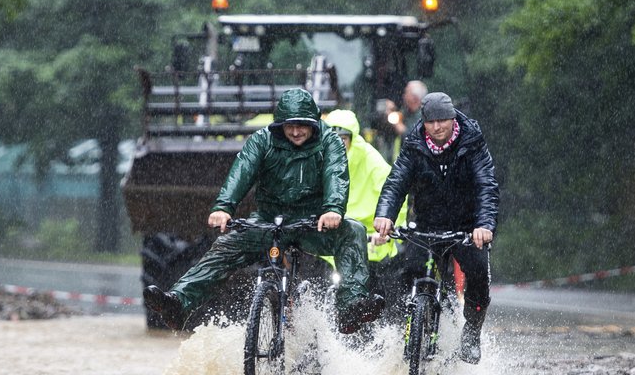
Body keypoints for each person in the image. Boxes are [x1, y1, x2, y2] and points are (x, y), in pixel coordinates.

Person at [144, 88, 385, 334]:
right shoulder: (262, 140)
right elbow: (242, 171)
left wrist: (333, 209)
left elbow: (336, 175)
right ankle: (178, 303)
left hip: (312, 224)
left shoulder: (330, 142)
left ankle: (350, 308)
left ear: (314, 122)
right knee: (224, 247)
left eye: (302, 125)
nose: (295, 131)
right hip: (269, 221)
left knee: (353, 229)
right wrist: (224, 207)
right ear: (279, 124)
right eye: (288, 125)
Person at [373, 92, 499, 363]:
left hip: (466, 227)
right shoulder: (414, 143)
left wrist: (484, 225)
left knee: (478, 273)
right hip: (426, 223)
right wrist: (385, 216)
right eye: (432, 122)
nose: (438, 127)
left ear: (453, 120)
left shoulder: (472, 141)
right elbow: (396, 183)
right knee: (407, 271)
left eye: (444, 120)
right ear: (424, 122)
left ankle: (472, 332)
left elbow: (486, 186)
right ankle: (405, 329)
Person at [325, 109, 409, 305]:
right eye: (332, 139)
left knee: (374, 293)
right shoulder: (319, 158)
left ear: (352, 139)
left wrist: (388, 227)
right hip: (332, 233)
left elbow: (394, 193)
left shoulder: (371, 160)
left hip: (369, 235)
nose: (338, 145)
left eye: (343, 139)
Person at [380, 80, 427, 161]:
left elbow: (414, 139)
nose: (403, 96)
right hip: (400, 161)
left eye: (406, 93)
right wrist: (392, 110)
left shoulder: (425, 117)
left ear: (415, 98)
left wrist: (398, 125)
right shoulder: (406, 112)